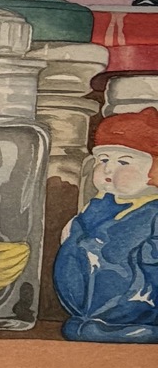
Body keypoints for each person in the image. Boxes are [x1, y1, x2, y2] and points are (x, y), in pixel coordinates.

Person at [54, 107, 158, 342]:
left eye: (123, 162)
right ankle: (90, 319)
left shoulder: (153, 213)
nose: (109, 168)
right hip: (84, 308)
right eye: (103, 160)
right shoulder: (98, 205)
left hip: (138, 309)